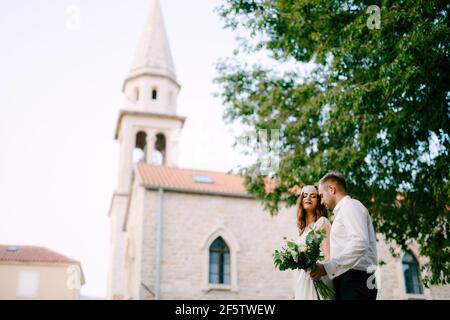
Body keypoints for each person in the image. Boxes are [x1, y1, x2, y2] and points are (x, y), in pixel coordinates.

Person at [310, 172, 378, 300]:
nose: (321, 201)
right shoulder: (343, 211)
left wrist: (326, 268)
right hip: (350, 279)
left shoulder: (350, 206)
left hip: (356, 279)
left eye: (321, 196)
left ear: (331, 189)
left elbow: (360, 243)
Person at [294, 185, 334, 300]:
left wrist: (317, 270)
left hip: (319, 277)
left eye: (313, 196)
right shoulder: (302, 230)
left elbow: (328, 257)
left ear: (319, 201)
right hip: (302, 279)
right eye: (305, 195)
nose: (308, 198)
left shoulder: (322, 223)